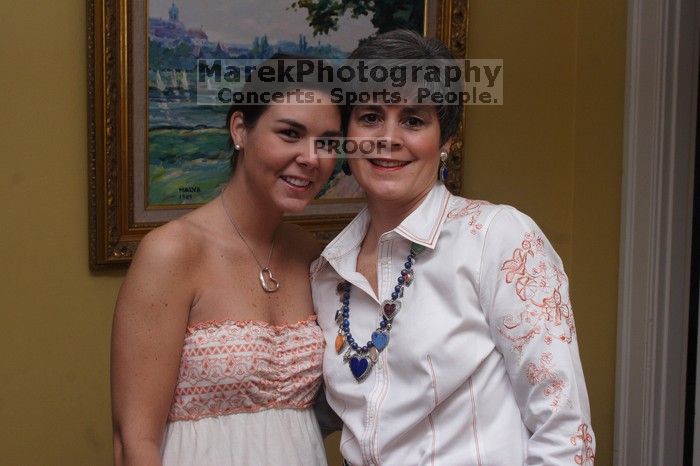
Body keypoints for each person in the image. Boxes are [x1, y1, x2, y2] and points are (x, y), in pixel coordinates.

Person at [311, 30, 596, 465]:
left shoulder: (497, 239)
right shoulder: (327, 271)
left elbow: (564, 432)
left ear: (445, 142)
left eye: (413, 120)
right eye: (370, 116)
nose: (388, 137)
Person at [111, 57, 342, 466]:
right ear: (240, 130)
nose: (311, 158)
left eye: (327, 142)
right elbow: (135, 441)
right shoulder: (172, 252)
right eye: (290, 133)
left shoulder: (315, 258)